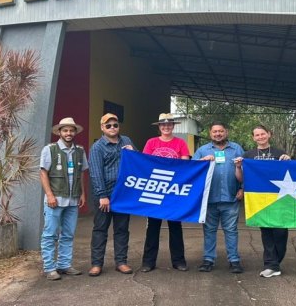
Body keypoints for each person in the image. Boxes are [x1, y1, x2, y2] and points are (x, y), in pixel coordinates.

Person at [234, 125, 291, 278]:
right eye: (257, 135)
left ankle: (275, 262)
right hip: (259, 200)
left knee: (280, 232)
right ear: (253, 138)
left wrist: (289, 160)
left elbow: (290, 172)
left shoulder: (280, 153)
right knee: (266, 232)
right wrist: (239, 167)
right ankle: (270, 264)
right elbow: (241, 178)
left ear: (269, 134)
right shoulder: (248, 155)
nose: (260, 137)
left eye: (263, 134)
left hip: (280, 199)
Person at [140, 113, 190, 272]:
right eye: (163, 125)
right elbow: (144, 162)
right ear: (159, 127)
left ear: (173, 126)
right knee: (153, 227)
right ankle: (148, 262)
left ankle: (179, 261)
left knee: (175, 227)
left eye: (169, 124)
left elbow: (185, 162)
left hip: (173, 191)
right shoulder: (151, 142)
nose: (166, 127)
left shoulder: (180, 143)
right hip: (155, 189)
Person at [39, 117, 88, 280]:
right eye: (65, 130)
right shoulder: (50, 149)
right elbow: (43, 172)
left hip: (73, 200)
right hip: (55, 200)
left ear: (75, 132)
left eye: (71, 130)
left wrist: (82, 193)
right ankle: (49, 267)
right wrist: (49, 195)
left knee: (68, 234)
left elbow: (81, 173)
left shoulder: (80, 151)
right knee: (50, 234)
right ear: (59, 132)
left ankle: (64, 265)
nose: (69, 133)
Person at [193, 122, 245, 274]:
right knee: (209, 230)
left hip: (231, 197)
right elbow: (191, 170)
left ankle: (234, 260)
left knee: (231, 230)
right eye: (215, 131)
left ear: (226, 132)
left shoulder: (236, 149)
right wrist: (202, 161)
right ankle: (208, 259)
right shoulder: (202, 150)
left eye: (221, 131)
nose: (218, 134)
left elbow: (246, 170)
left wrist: (243, 188)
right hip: (209, 199)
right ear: (210, 134)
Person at [88, 113, 136, 277]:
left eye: (115, 125)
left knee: (122, 230)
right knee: (100, 230)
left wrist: (133, 152)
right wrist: (102, 195)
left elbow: (138, 163)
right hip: (105, 195)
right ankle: (96, 264)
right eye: (108, 125)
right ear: (102, 127)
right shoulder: (97, 147)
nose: (112, 128)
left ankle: (121, 262)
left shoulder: (127, 141)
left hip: (123, 194)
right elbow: (95, 173)